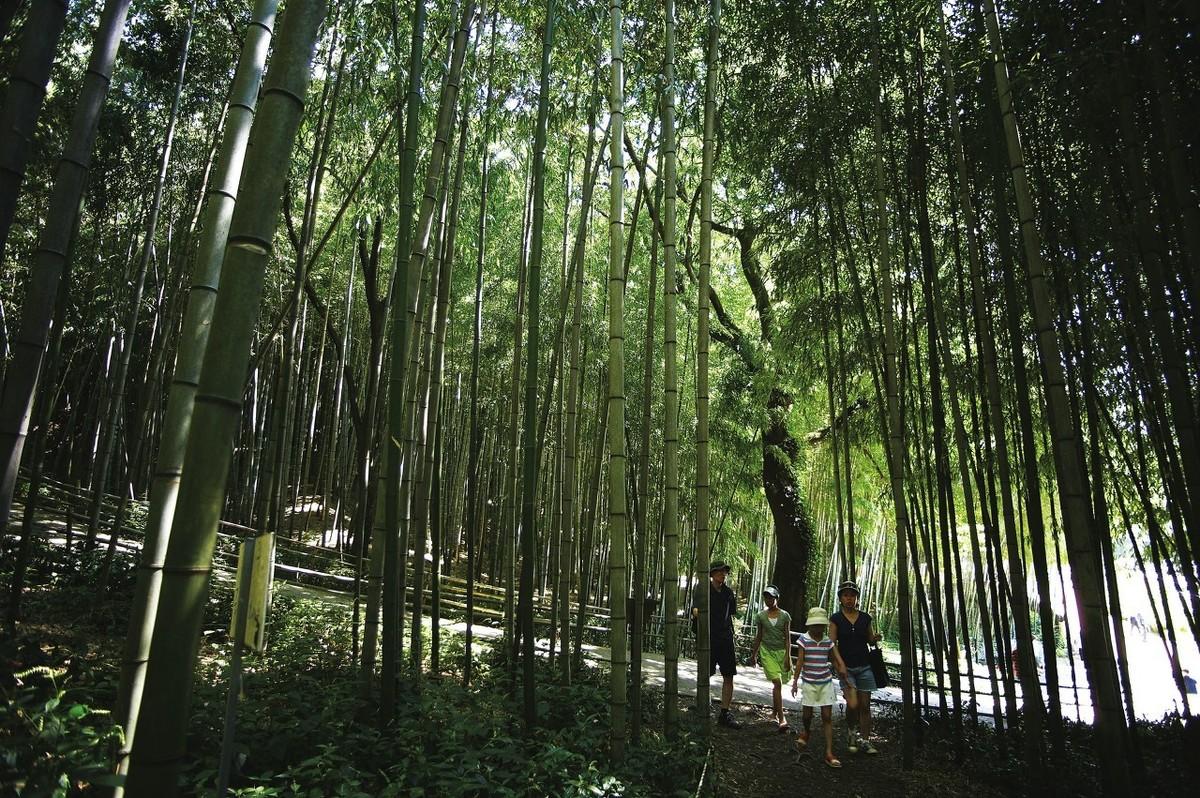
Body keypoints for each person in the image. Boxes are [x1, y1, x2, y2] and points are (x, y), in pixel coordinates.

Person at [829, 580, 882, 754]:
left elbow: (869, 639)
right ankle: (852, 732)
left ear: (857, 598)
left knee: (865, 705)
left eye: (852, 595)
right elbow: (832, 643)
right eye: (846, 595)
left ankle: (865, 740)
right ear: (840, 598)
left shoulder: (866, 618)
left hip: (865, 665)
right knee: (852, 704)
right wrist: (840, 665)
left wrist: (875, 638)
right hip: (846, 667)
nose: (849, 599)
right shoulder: (835, 619)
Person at [791, 606, 847, 768]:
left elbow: (836, 659)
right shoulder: (803, 640)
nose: (818, 628)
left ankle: (829, 753)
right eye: (815, 625)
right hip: (809, 683)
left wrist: (842, 669)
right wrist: (795, 682)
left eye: (821, 625)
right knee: (807, 716)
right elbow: (800, 661)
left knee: (827, 717)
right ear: (809, 625)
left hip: (825, 683)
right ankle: (807, 731)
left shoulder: (828, 641)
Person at [693, 561, 741, 728]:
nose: (723, 574)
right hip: (708, 637)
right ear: (712, 573)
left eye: (724, 571)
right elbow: (695, 611)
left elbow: (731, 614)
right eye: (719, 571)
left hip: (725, 638)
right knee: (706, 673)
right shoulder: (702, 589)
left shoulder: (728, 593)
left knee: (729, 675)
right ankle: (701, 706)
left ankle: (724, 713)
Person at [750, 585, 792, 731]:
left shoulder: (785, 616)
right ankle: (782, 718)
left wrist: (788, 656)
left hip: (781, 652)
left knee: (778, 686)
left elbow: (787, 638)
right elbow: (759, 636)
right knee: (777, 682)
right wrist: (754, 654)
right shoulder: (761, 616)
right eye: (766, 597)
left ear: (777, 598)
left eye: (771, 597)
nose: (768, 600)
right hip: (767, 651)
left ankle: (774, 712)